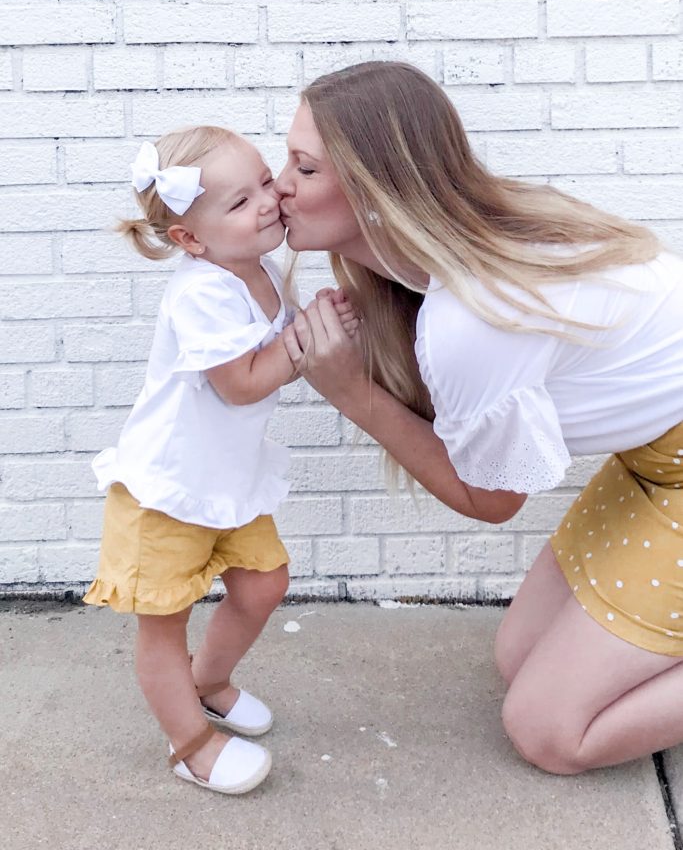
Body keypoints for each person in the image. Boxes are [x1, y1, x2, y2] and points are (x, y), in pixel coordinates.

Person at [274, 60, 683, 775]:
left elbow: (492, 500)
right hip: (655, 461)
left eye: (303, 169)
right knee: (514, 657)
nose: (279, 184)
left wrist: (349, 391)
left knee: (549, 733)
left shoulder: (469, 317)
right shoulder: (435, 266)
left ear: (374, 192)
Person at [83, 124, 359, 794]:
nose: (266, 202)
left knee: (263, 583)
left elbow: (278, 352)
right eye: (238, 203)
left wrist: (316, 325)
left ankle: (205, 681)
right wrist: (305, 342)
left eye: (265, 183)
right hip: (168, 490)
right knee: (162, 627)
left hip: (226, 481)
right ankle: (191, 744)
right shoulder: (202, 291)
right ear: (190, 240)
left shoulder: (257, 268)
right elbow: (240, 383)